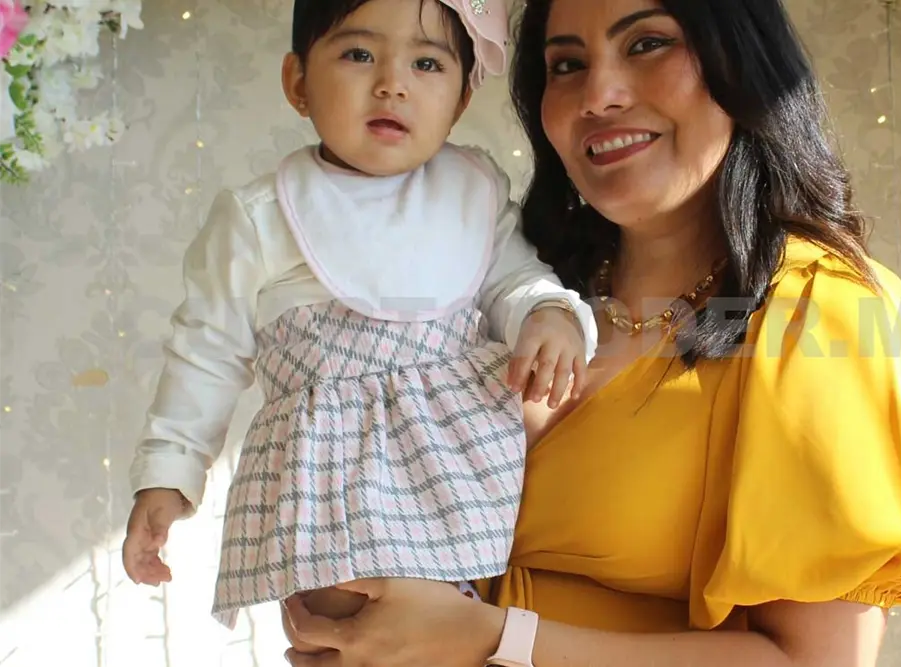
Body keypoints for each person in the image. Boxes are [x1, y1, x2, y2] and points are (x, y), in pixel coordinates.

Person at [280, 0, 901, 664]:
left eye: (647, 44)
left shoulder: (819, 308)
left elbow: (817, 660)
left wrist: (496, 636)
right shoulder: (513, 292)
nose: (598, 95)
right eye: (566, 64)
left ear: (738, 60)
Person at [120, 0, 599, 655]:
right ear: (298, 82)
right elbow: (206, 351)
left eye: (426, 64)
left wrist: (549, 313)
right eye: (358, 54)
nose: (391, 83)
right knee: (347, 625)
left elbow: (514, 281)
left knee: (457, 623)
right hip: (330, 470)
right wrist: (168, 474)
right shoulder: (260, 216)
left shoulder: (472, 191)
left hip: (458, 463)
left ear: (461, 99)